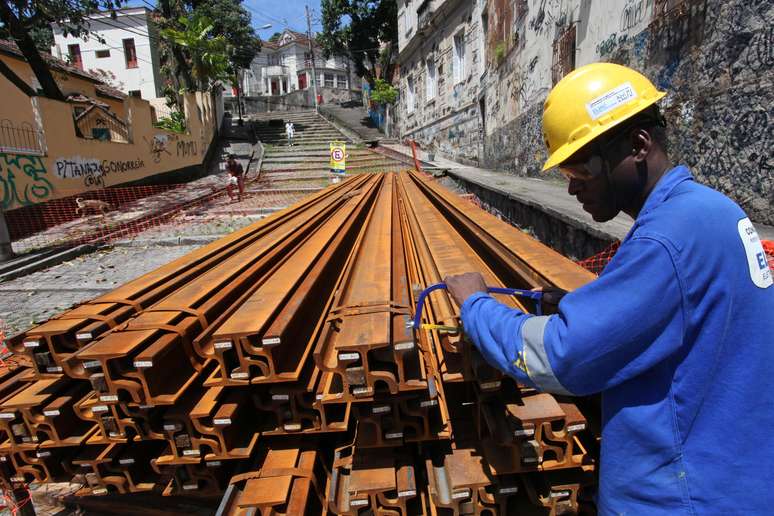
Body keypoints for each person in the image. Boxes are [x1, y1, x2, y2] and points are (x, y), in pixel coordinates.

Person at [444, 63, 773, 514]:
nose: (574, 187)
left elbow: (563, 357)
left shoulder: (666, 238)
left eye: (582, 170)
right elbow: (683, 318)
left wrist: (477, 305)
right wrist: (584, 304)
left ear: (638, 145)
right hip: (733, 479)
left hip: (678, 497)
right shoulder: (710, 211)